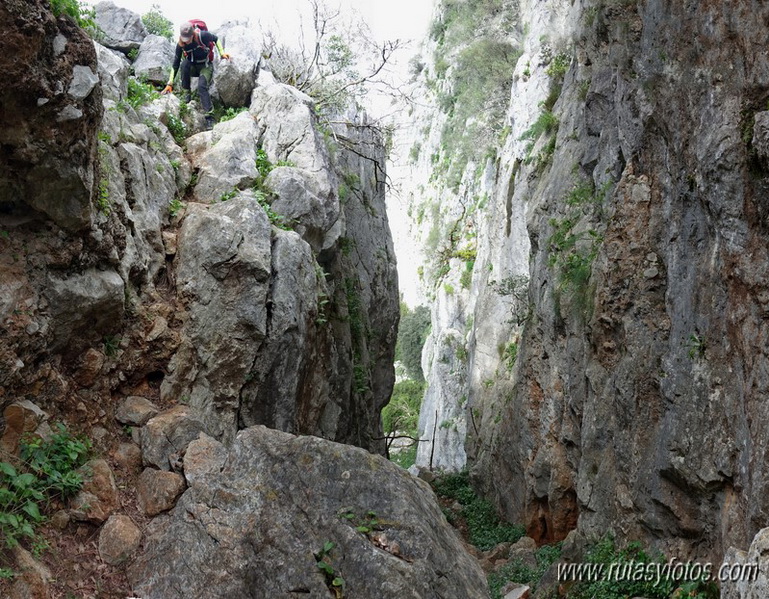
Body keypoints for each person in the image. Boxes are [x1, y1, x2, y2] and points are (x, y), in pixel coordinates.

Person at [161, 21, 230, 129]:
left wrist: (222, 53)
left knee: (201, 87)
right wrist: (170, 83)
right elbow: (175, 64)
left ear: (193, 35)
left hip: (205, 66)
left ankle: (210, 117)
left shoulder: (203, 36)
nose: (186, 41)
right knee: (184, 64)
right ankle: (186, 96)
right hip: (192, 66)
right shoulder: (180, 45)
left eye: (188, 38)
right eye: (184, 39)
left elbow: (216, 39)